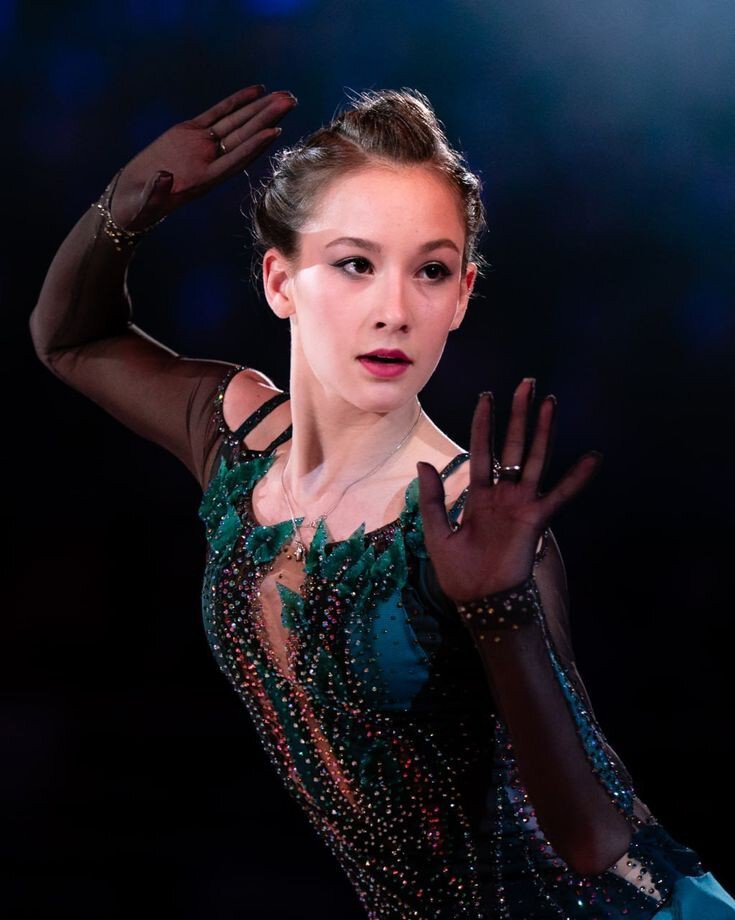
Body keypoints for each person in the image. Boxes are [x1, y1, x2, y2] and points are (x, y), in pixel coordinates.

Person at [30, 83, 735, 919]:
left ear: (461, 295)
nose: (394, 310)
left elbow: (592, 839)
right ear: (279, 281)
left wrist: (500, 614)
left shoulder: (472, 518)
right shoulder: (236, 435)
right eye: (355, 264)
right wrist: (128, 201)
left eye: (429, 271)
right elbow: (69, 338)